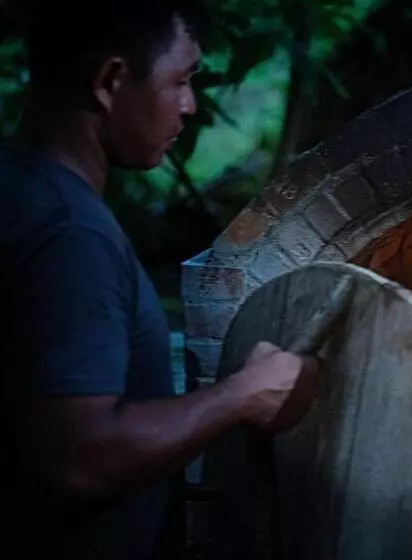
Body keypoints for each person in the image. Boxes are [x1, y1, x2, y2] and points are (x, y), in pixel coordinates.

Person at [0, 1, 318, 558]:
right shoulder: (70, 235)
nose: (191, 105)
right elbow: (81, 459)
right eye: (182, 79)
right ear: (110, 80)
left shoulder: (21, 190)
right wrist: (244, 395)